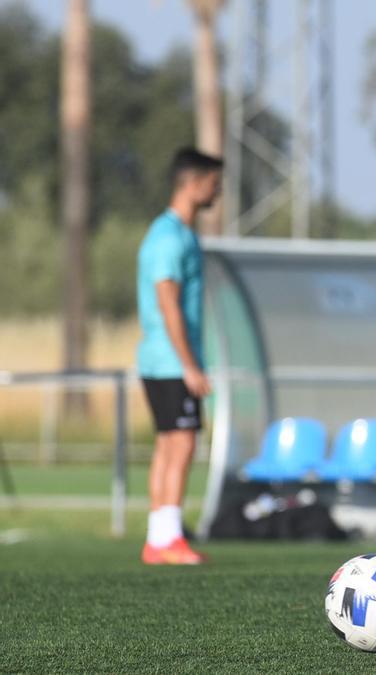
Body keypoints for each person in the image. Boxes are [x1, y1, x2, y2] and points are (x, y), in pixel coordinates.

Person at [137, 147, 222, 565]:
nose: (217, 191)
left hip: (160, 360)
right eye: (213, 183)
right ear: (193, 183)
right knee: (183, 443)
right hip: (171, 362)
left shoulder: (180, 233)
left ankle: (159, 539)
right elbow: (167, 302)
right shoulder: (169, 237)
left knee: (169, 445)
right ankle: (168, 539)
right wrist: (190, 364)